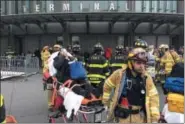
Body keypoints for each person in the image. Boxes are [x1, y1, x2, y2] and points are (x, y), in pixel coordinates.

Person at [102, 48, 160, 123]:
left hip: (140, 118)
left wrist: (154, 118)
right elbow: (107, 85)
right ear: (130, 63)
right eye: (138, 63)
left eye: (143, 63)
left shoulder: (147, 78)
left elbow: (154, 98)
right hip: (122, 118)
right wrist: (106, 103)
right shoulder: (119, 75)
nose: (142, 66)